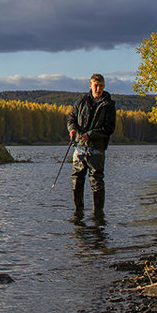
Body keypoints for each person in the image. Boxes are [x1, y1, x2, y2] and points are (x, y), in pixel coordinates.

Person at [66, 73, 116, 218]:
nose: (98, 88)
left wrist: (90, 134)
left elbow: (109, 129)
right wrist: (72, 129)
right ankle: (78, 212)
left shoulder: (109, 105)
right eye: (95, 85)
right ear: (90, 85)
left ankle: (98, 215)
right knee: (77, 180)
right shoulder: (81, 101)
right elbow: (71, 118)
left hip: (97, 148)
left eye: (100, 86)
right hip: (79, 147)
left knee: (97, 182)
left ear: (104, 86)